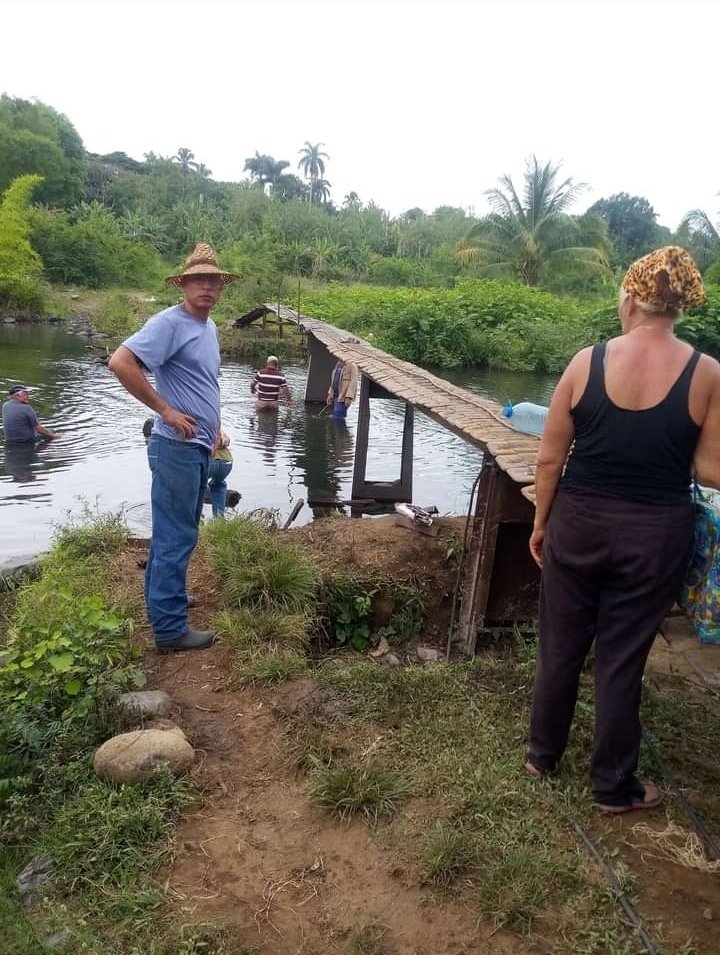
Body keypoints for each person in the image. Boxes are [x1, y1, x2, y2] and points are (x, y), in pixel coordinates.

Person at [526, 246, 720, 814]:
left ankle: (541, 758)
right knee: (622, 657)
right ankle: (613, 787)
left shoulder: (585, 361)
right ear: (679, 307)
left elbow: (547, 460)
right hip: (654, 536)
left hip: (578, 524)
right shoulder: (706, 373)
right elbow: (710, 470)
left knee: (560, 646)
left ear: (631, 298)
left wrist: (542, 523)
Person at [108, 242, 238, 654]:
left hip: (199, 445)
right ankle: (169, 630)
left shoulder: (209, 327)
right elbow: (120, 363)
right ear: (183, 285)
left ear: (221, 287)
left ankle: (165, 604)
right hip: (176, 446)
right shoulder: (168, 323)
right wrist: (165, 410)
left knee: (176, 532)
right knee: (177, 536)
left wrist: (215, 427)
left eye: (214, 281)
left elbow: (203, 384)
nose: (207, 287)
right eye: (199, 280)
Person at [207, 427, 233, 518]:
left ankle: (196, 518)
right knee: (219, 485)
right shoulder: (216, 424)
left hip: (209, 461)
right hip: (227, 462)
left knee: (195, 485)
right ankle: (219, 519)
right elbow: (226, 440)